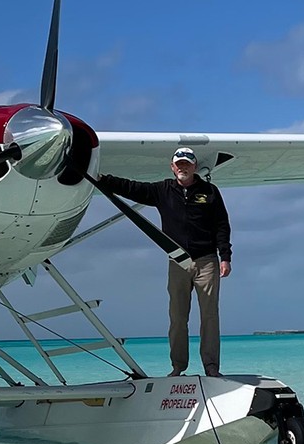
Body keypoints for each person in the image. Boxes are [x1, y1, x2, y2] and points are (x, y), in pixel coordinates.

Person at [97, 147, 232, 377]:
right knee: (178, 318)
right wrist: (102, 180)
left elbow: (221, 224)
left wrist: (225, 256)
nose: (183, 167)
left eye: (187, 163)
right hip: (178, 261)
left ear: (195, 167)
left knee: (209, 316)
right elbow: (131, 188)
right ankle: (178, 367)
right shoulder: (162, 190)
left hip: (207, 260)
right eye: (179, 164)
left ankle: (211, 368)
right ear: (172, 167)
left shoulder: (209, 191)